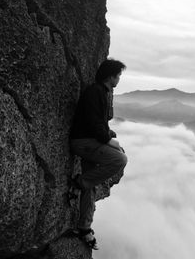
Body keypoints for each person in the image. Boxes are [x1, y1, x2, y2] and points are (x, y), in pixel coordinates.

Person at [69, 58, 127, 250]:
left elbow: (99, 124)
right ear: (110, 76)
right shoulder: (95, 92)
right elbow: (94, 123)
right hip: (83, 142)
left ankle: (84, 228)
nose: (119, 78)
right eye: (118, 75)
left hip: (89, 141)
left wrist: (110, 134)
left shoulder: (102, 92)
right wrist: (109, 140)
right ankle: (78, 183)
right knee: (120, 159)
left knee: (91, 186)